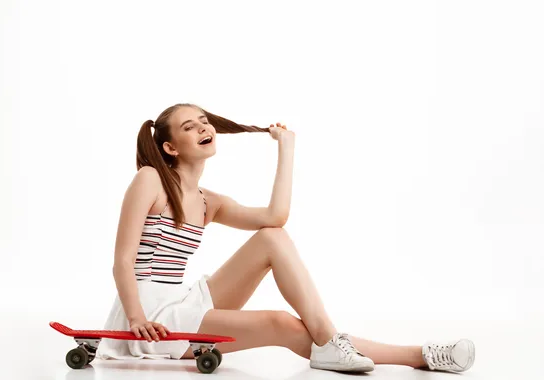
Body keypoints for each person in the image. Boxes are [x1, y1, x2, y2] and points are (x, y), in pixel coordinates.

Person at [95, 103, 475, 373]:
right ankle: (416, 355)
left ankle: (359, 346)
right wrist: (136, 317)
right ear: (170, 147)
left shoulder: (209, 201)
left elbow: (276, 217)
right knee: (285, 324)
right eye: (189, 127)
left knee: (272, 237)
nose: (203, 128)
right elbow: (123, 261)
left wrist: (286, 147)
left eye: (203, 121)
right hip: (149, 315)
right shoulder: (151, 180)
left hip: (180, 300)